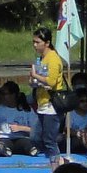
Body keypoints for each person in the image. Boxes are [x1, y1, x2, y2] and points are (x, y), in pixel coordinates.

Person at [28, 29, 66, 165]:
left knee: (49, 139)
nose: (35, 45)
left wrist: (35, 76)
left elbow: (51, 81)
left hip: (52, 105)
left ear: (47, 43)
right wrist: (33, 81)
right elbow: (35, 81)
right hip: (41, 103)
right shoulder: (40, 59)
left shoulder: (54, 59)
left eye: (38, 42)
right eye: (33, 42)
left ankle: (56, 171)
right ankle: (58, 160)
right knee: (35, 137)